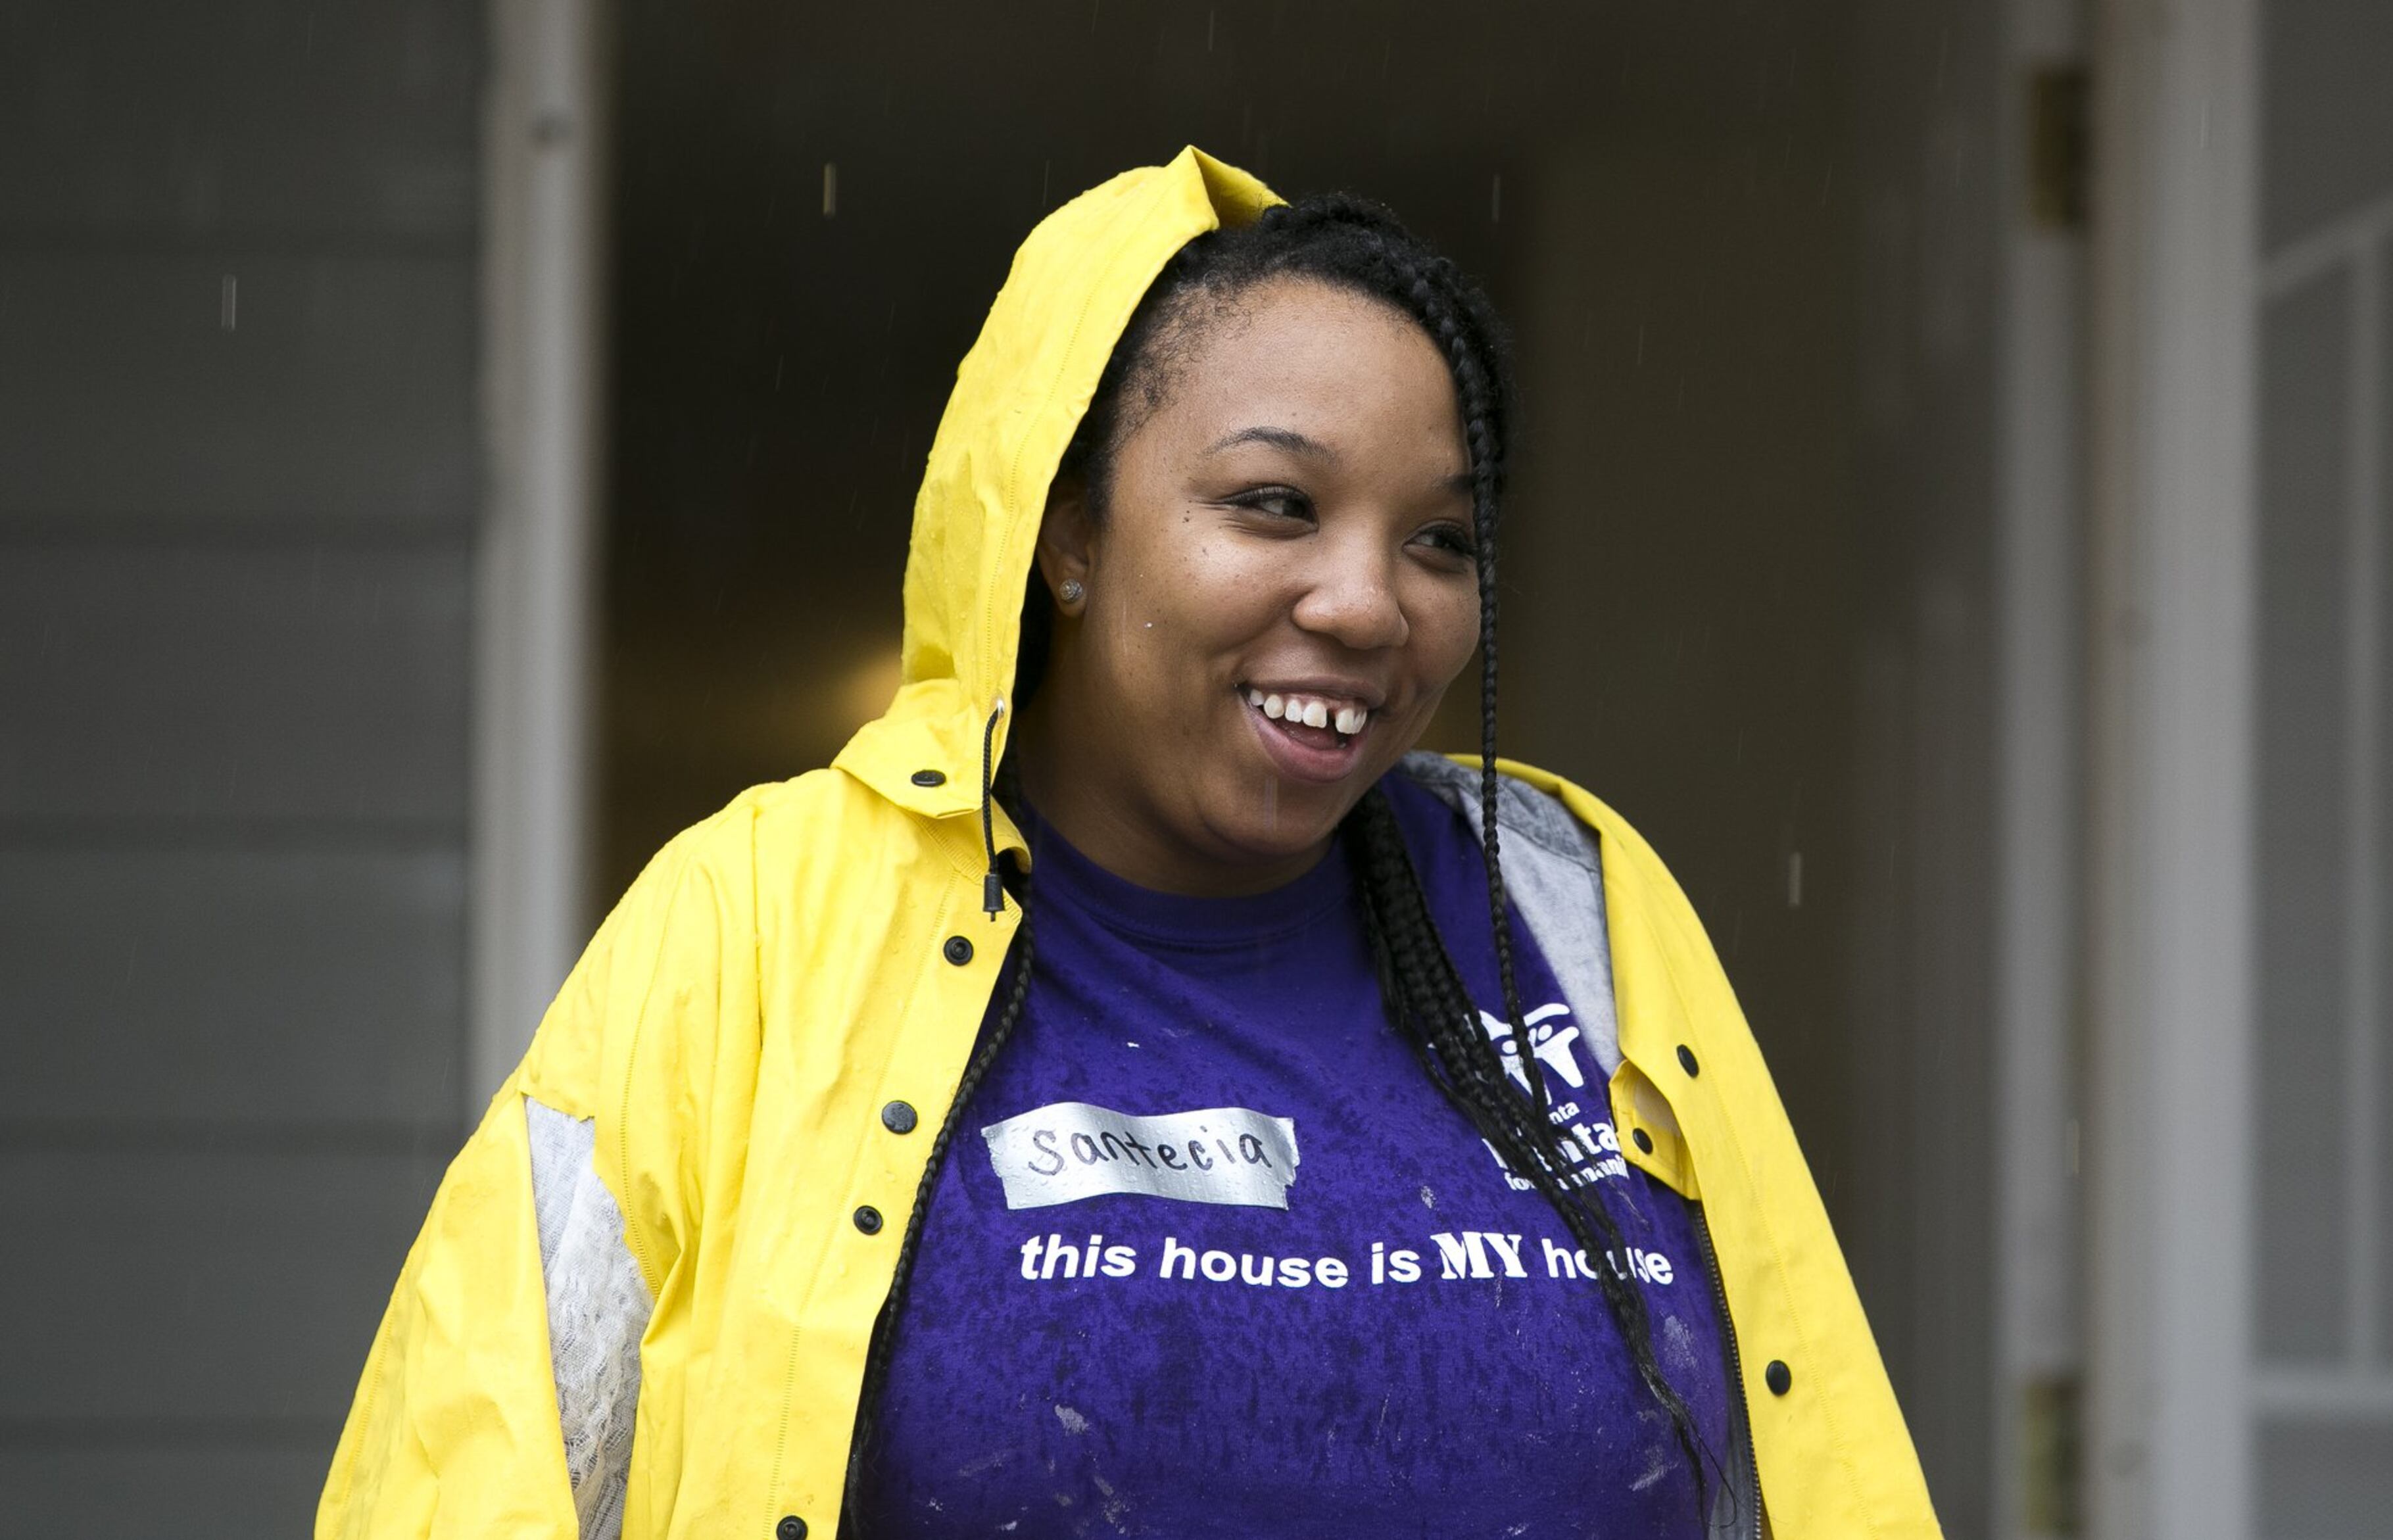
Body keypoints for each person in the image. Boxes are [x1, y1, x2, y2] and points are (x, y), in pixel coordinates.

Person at [316, 149, 1939, 1540]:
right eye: (1276, 505)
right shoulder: (756, 926)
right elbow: (481, 1462)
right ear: (1068, 530)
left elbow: (1819, 1455)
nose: (1371, 602)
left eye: (1440, 537)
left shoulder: (1570, 904)